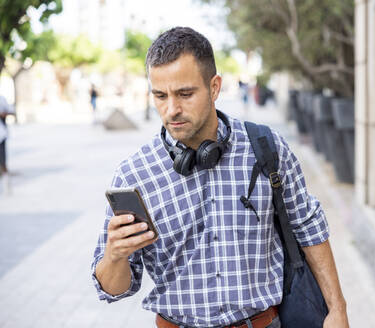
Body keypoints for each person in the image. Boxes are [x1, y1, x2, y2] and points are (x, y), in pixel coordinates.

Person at [91, 27, 348, 328]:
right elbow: (113, 289)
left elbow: (308, 225)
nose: (171, 109)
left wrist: (337, 309)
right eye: (160, 96)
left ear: (214, 88)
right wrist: (115, 255)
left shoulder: (266, 147)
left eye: (185, 94)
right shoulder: (133, 174)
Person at [0, 94, 14, 194]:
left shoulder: (1, 99)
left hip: (1, 135)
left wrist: (3, 114)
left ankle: (7, 187)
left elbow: (11, 111)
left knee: (3, 161)